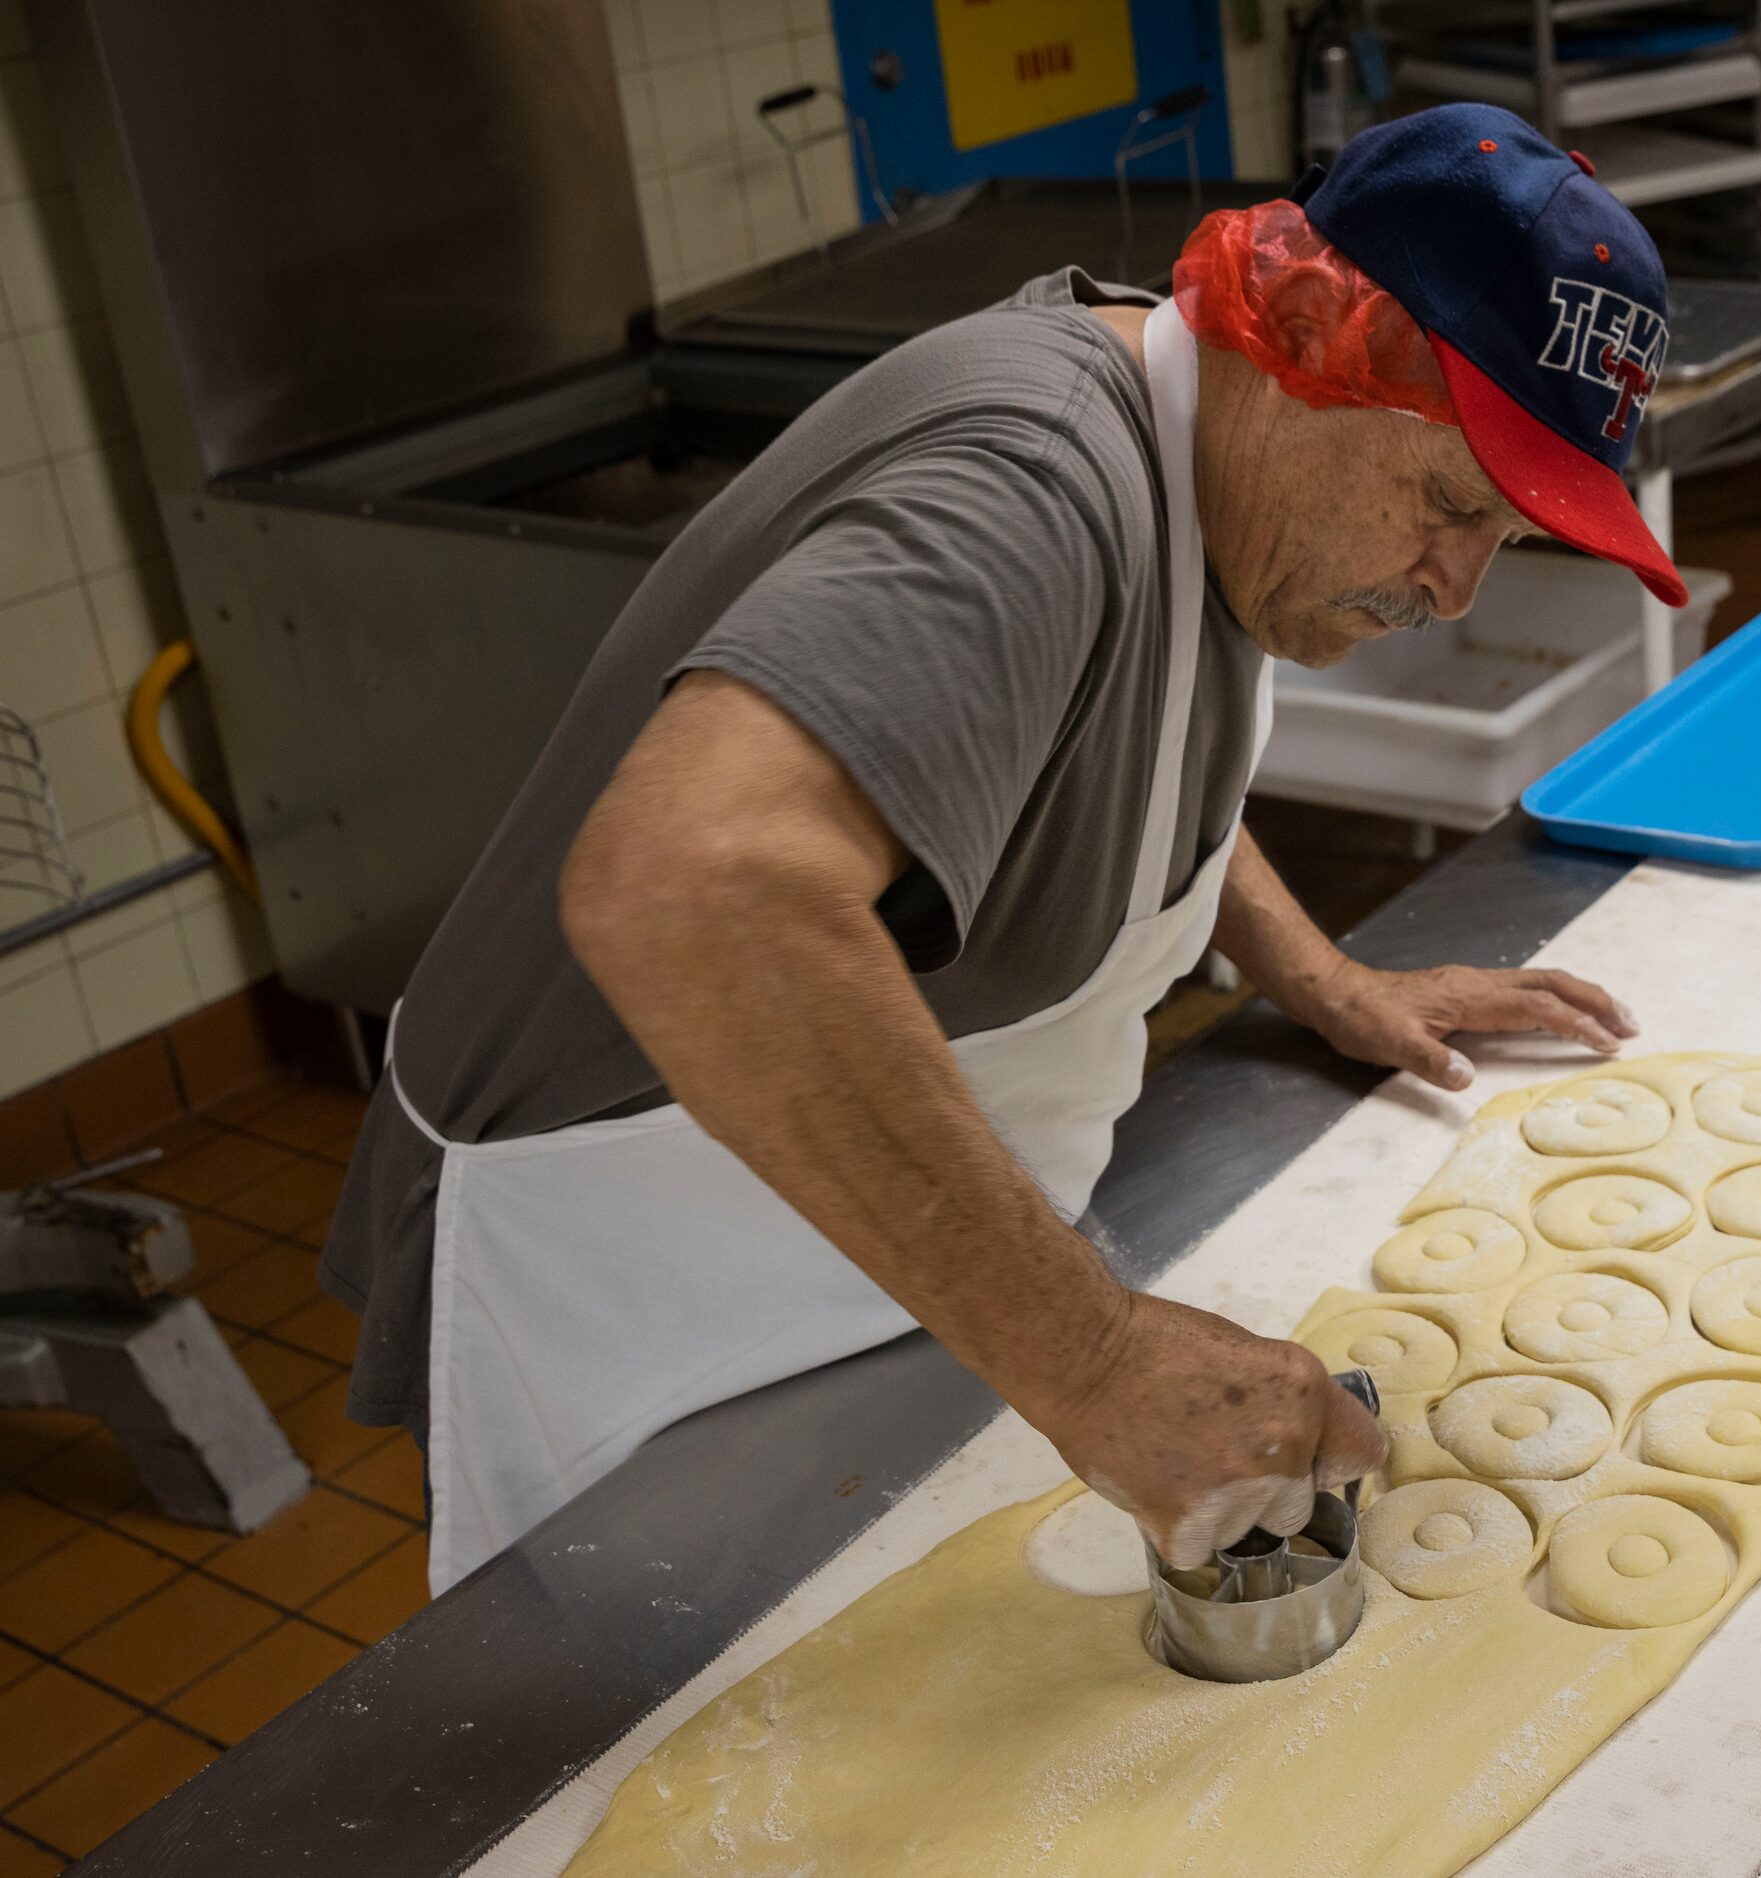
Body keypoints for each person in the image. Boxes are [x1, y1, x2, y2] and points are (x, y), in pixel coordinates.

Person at [319, 103, 1689, 1594]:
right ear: (1300, 331)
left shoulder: (1224, 482)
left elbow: (1103, 750)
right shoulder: (1037, 489)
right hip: (640, 1256)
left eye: (1510, 536)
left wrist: (1315, 969)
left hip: (859, 1255)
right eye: (1447, 503)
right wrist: (1099, 1360)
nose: (1457, 582)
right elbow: (694, 882)